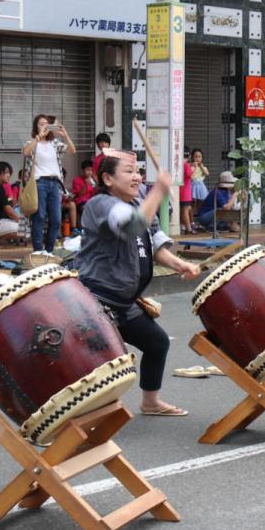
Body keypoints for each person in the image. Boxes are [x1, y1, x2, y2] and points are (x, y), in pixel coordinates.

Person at [76, 150, 200, 415]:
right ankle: (81, 414)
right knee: (101, 361)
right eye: (129, 171)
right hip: (97, 302)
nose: (137, 177)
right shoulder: (100, 205)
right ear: (107, 178)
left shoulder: (139, 202)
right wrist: (159, 191)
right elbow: (133, 226)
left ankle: (150, 402)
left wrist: (180, 264)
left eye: (138, 171)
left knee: (157, 343)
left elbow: (153, 241)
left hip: (125, 301)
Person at [23, 113, 76, 255]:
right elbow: (26, 152)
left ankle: (49, 250)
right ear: (36, 127)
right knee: (39, 217)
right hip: (39, 183)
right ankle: (38, 251)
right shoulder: (31, 143)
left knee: (56, 219)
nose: (44, 126)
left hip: (55, 184)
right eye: (41, 123)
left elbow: (72, 150)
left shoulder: (54, 143)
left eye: (46, 124)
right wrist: (38, 137)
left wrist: (65, 135)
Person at [0, 161, 21, 242]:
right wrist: (22, 222)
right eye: (6, 173)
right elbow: (8, 210)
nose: (9, 175)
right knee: (25, 230)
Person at [188, 148, 210, 223]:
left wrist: (201, 166)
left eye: (199, 157)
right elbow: (189, 175)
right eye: (195, 156)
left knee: (200, 205)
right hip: (192, 186)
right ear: (192, 157)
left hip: (200, 187)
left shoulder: (203, 167)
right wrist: (193, 166)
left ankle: (200, 221)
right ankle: (192, 221)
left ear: (202, 158)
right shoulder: (191, 166)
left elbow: (207, 174)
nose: (197, 158)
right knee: (192, 204)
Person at [179, 149, 195, 234]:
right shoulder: (186, 165)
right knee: (185, 209)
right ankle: (188, 228)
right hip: (185, 191)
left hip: (180, 190)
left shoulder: (178, 164)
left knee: (184, 209)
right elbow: (190, 175)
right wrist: (193, 168)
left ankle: (184, 226)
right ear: (189, 156)